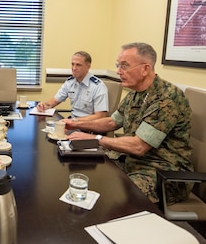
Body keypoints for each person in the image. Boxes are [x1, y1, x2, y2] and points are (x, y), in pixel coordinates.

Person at [65, 42, 193, 204]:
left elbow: (138, 146)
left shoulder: (166, 98)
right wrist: (76, 124)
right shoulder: (136, 94)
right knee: (87, 165)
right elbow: (112, 122)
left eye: (124, 66)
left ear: (145, 68)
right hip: (132, 161)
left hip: (163, 172)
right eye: (118, 65)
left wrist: (95, 139)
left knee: (118, 196)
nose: (119, 71)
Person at [37, 51, 108, 121]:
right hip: (73, 123)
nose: (74, 68)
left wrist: (74, 121)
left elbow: (100, 117)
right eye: (72, 64)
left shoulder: (98, 86)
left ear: (88, 66)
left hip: (88, 127)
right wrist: (43, 105)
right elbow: (54, 101)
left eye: (78, 65)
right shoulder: (70, 82)